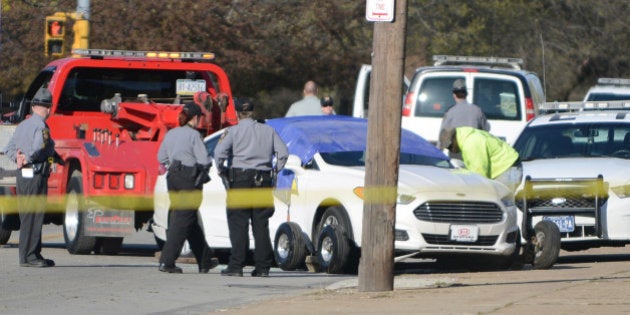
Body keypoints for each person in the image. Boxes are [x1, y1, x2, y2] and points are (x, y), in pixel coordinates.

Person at [214, 98, 289, 277]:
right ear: (253, 112)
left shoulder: (232, 131)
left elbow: (218, 153)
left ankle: (236, 266)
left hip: (240, 179)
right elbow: (283, 153)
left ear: (238, 113)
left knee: (238, 224)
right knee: (260, 224)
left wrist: (221, 170)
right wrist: (273, 170)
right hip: (262, 179)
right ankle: (263, 267)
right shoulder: (268, 130)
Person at [157, 102, 217, 274]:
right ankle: (167, 261)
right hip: (189, 179)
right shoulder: (194, 135)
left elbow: (161, 157)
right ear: (196, 118)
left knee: (187, 217)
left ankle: (205, 260)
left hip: (173, 177)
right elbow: (204, 160)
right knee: (182, 221)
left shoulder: (172, 133)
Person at [4, 87, 61, 267]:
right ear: (44, 107)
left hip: (23, 175)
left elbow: (8, 149)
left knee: (28, 216)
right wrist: (27, 158)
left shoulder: (23, 125)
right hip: (35, 175)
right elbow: (38, 148)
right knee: (34, 216)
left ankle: (32, 253)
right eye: (49, 107)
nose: (50, 111)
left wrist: (18, 158)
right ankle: (30, 257)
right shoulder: (41, 127)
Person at [439, 126, 522, 192]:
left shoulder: (471, 144)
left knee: (503, 201)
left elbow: (480, 174)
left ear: (454, 139)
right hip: (509, 167)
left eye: (450, 146)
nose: (450, 150)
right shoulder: (466, 135)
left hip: (508, 169)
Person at [438, 79, 490, 152]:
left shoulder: (450, 112)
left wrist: (439, 152)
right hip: (474, 152)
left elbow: (442, 136)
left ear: (454, 95)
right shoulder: (477, 110)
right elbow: (486, 129)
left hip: (456, 153)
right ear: (466, 94)